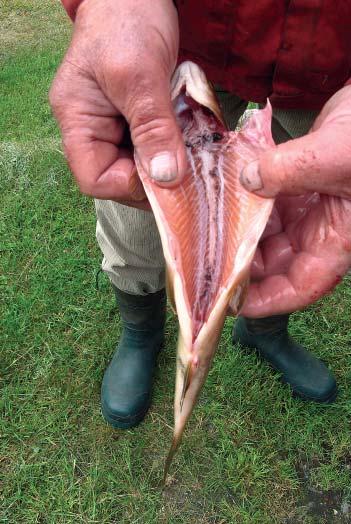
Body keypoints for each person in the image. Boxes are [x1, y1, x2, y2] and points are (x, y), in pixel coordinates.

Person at [50, 0, 351, 428]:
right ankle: (142, 331)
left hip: (331, 64)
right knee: (141, 204)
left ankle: (263, 329)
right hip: (186, 35)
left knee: (295, 216)